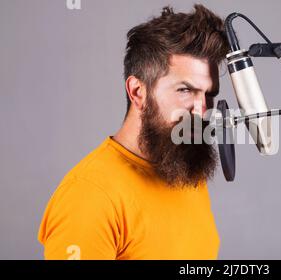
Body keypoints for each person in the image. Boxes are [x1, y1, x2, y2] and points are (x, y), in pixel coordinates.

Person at [38, 4, 230, 260]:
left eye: (208, 95)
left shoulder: (185, 169)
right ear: (138, 92)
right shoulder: (89, 198)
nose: (201, 110)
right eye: (185, 90)